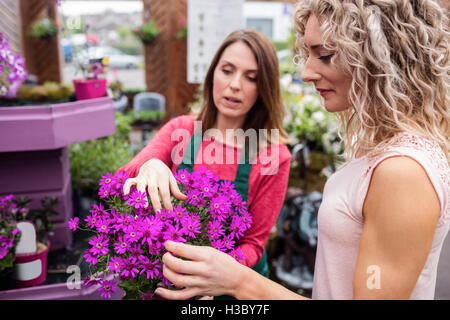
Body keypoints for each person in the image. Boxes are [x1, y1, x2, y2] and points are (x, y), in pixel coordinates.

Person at [155, 0, 450, 300]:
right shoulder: (384, 151)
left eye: (325, 55)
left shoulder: (403, 171)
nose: (307, 72)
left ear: (379, 57)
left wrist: (240, 282)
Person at [119, 29, 292, 283]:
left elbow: (254, 244)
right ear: (212, 75)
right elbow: (125, 177)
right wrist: (152, 164)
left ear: (263, 88)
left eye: (251, 77)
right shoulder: (182, 131)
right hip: (171, 274)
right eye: (227, 70)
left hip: (235, 286)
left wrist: (208, 275)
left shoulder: (274, 157)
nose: (234, 85)